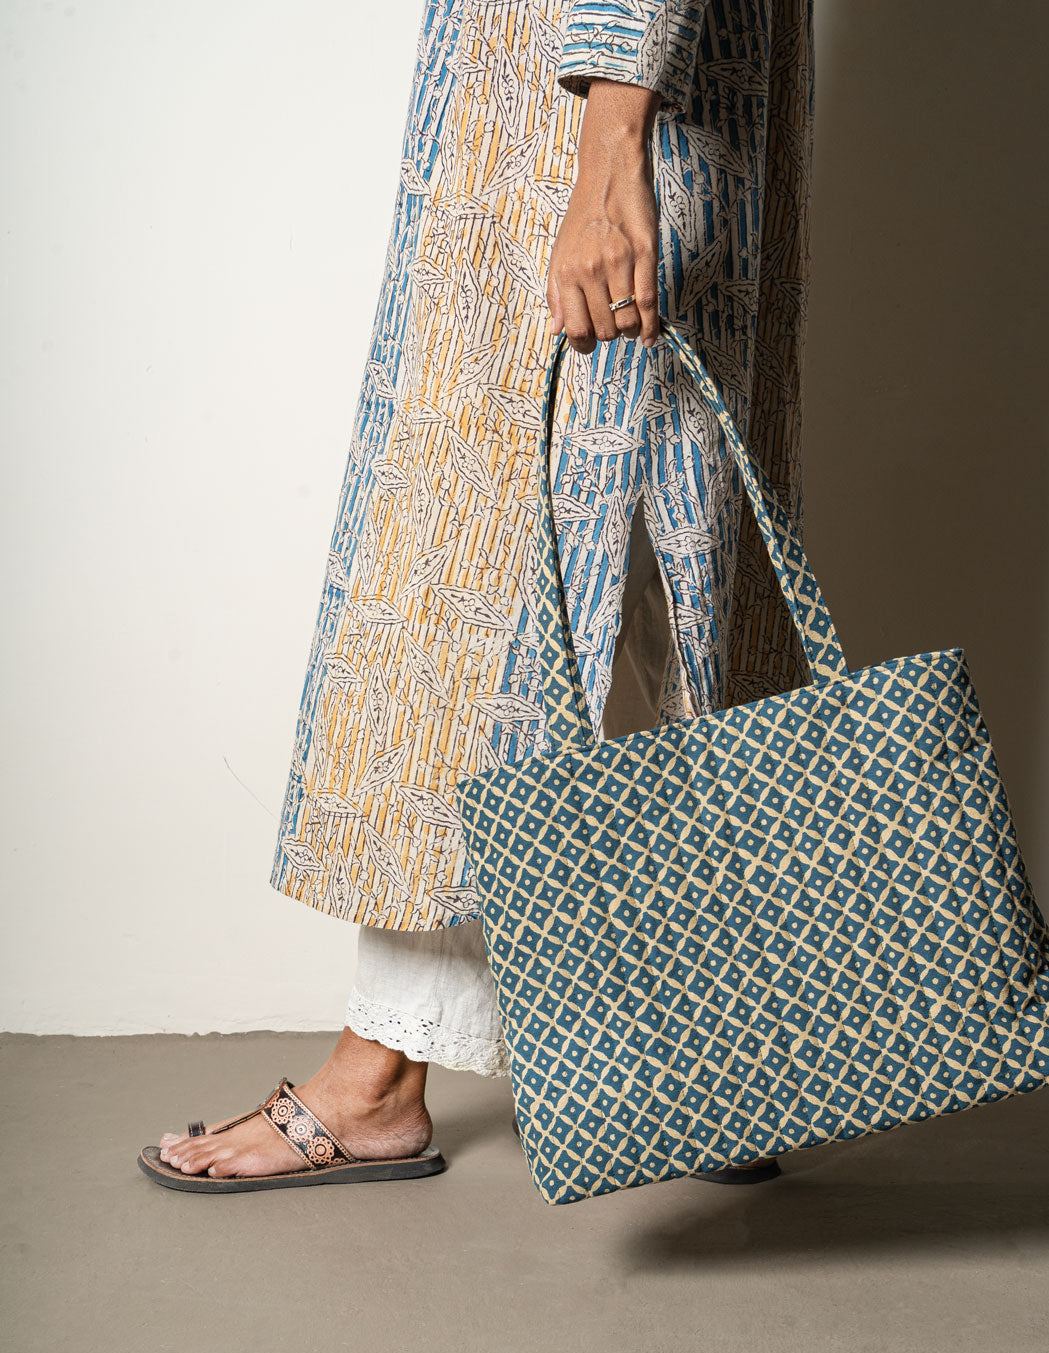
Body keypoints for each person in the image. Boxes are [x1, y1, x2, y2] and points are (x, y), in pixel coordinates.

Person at [140, 0, 814, 1191]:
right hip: (598, 114)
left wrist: (610, 152)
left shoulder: (610, 137)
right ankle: (717, 1062)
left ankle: (383, 1078)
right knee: (636, 574)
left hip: (594, 128)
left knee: (507, 584)